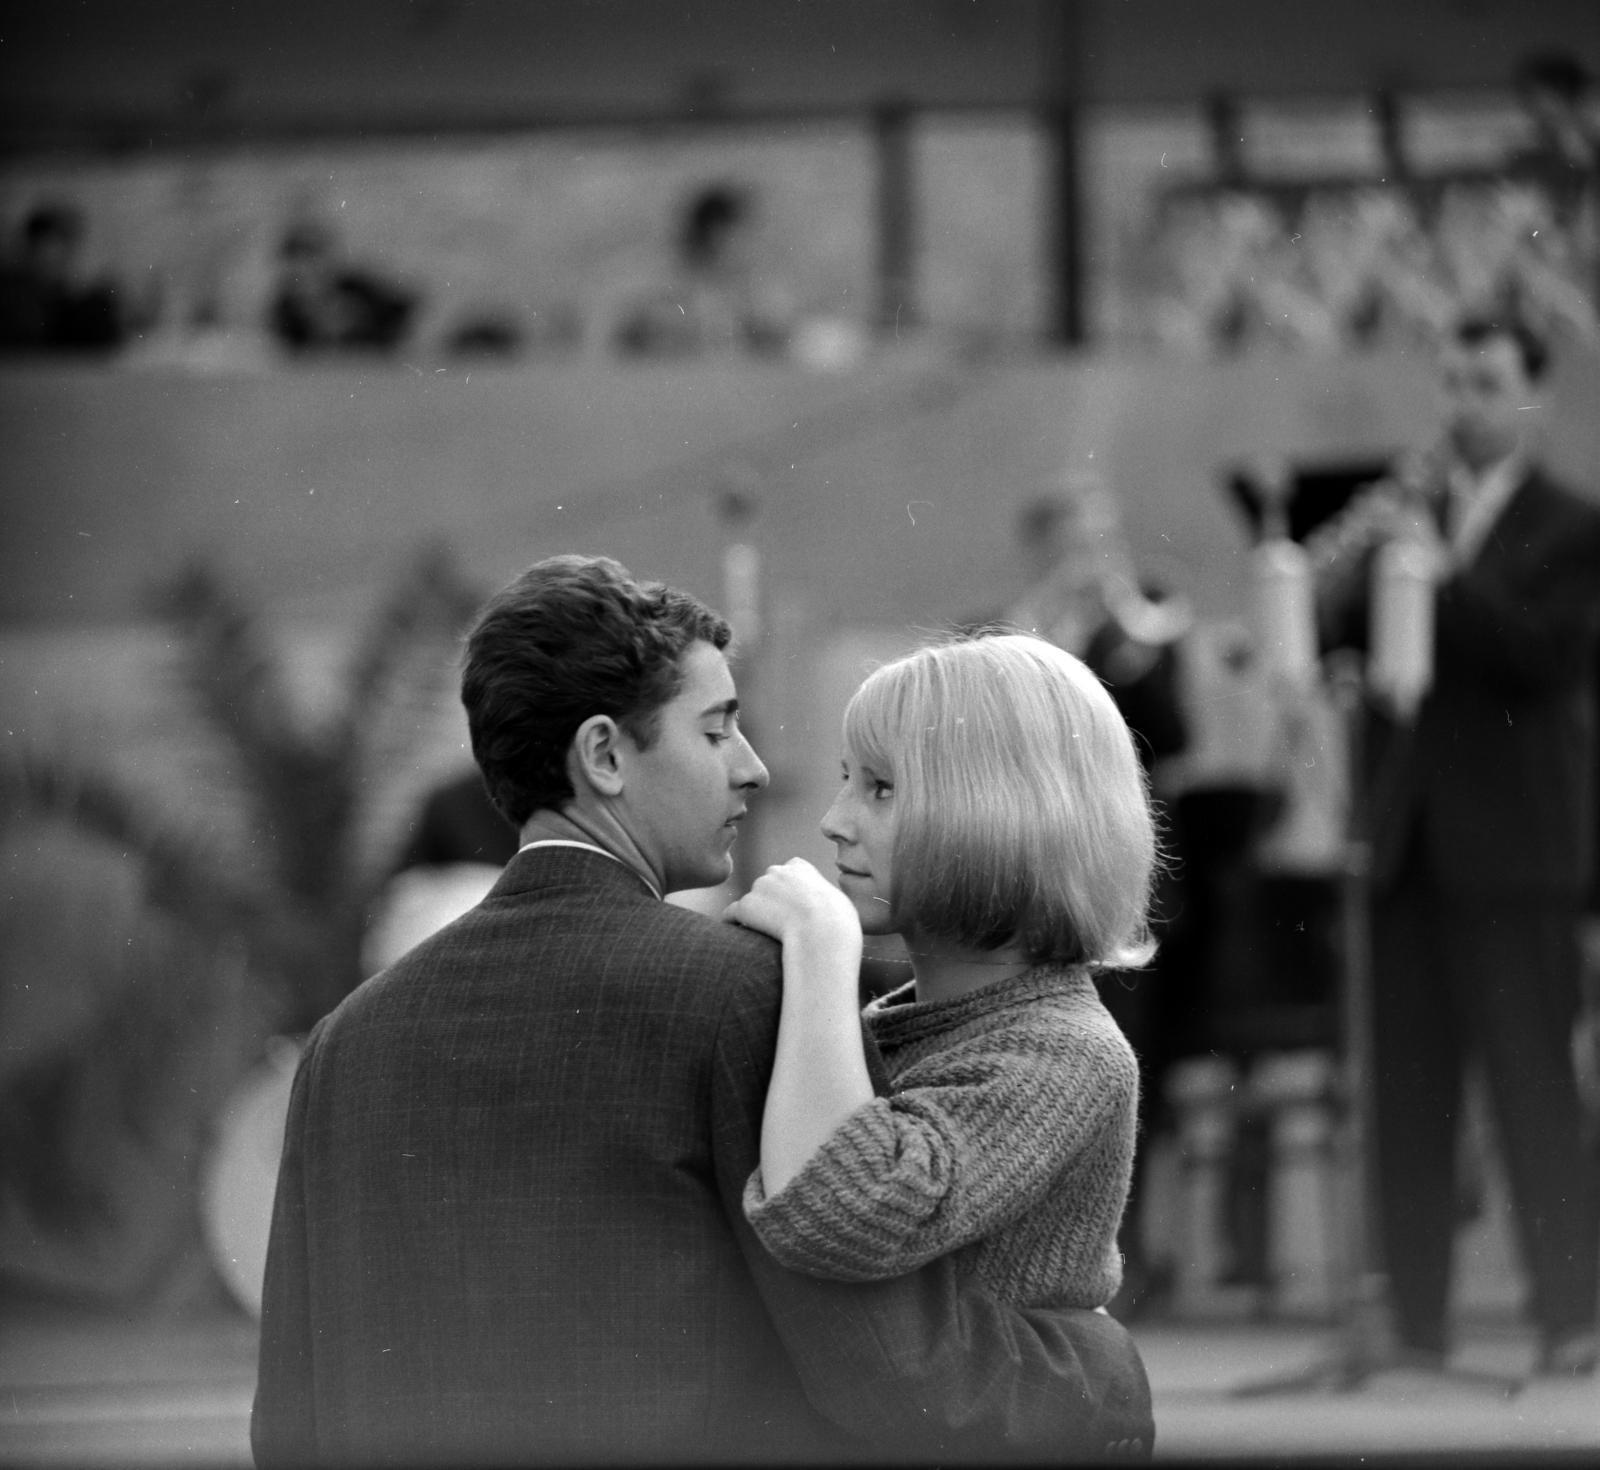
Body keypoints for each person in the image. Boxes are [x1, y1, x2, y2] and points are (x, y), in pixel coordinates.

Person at [252, 554, 1154, 1465]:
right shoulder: (750, 995)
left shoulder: (343, 1046)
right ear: (604, 756)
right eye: (719, 730)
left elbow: (289, 1418)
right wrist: (1100, 1366)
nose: (757, 770)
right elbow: (896, 1376)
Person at [1306, 314, 1600, 1376]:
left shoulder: (1574, 524)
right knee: (1408, 1096)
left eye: (1484, 382)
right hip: (1407, 844)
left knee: (1533, 1090)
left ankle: (1571, 1319)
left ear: (1533, 398)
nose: (1462, 403)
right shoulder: (1407, 516)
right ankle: (1416, 1326)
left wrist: (1431, 571)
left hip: (1519, 853)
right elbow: (1336, 639)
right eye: (1451, 381)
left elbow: (1541, 656)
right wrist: (1343, 571)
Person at [728, 634, 1151, 1314]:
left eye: (882, 788)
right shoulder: (909, 1023)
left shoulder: (1066, 1056)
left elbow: (841, 1221)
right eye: (846, 780)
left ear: (1004, 811)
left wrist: (821, 945)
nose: (834, 821)